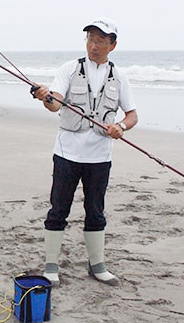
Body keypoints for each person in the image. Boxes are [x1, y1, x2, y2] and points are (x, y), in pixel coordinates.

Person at [31, 18, 138, 286]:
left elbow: (132, 115)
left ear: (112, 45)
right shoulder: (69, 69)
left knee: (96, 211)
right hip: (67, 154)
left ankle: (97, 265)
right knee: (58, 210)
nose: (94, 45)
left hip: (100, 158)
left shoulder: (120, 76)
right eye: (91, 39)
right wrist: (45, 96)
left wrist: (121, 126)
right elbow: (55, 105)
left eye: (101, 41)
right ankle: (51, 266)